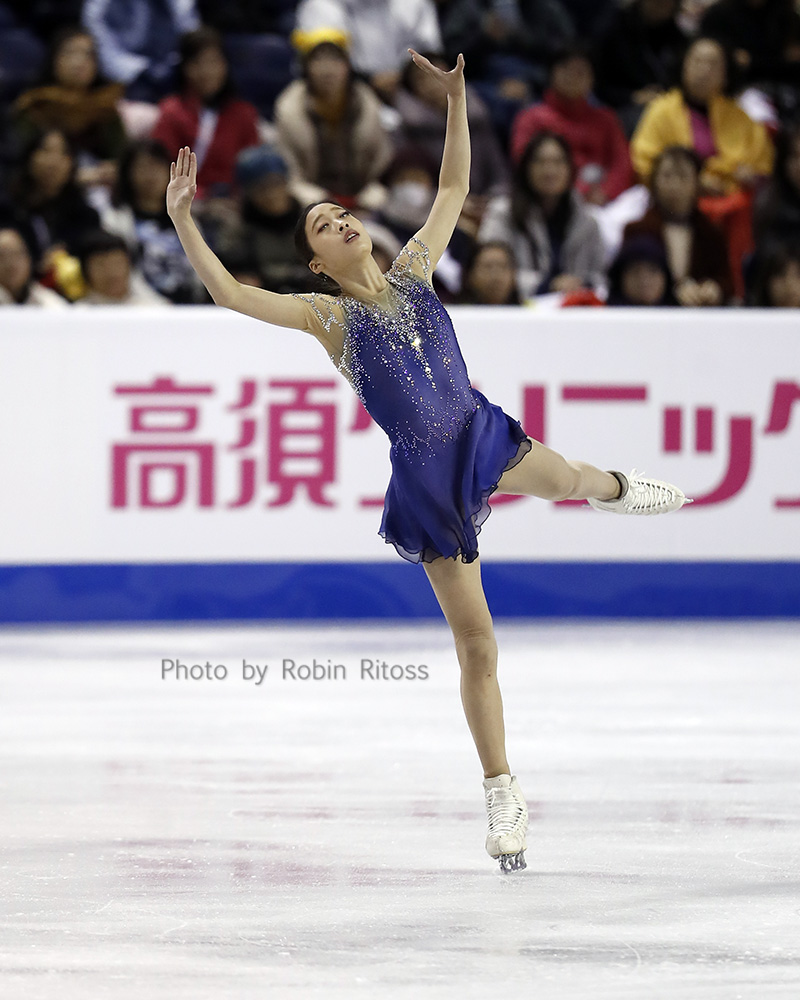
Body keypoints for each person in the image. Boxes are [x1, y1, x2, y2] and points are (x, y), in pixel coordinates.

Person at [166, 52, 691, 872]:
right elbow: (232, 294)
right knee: (478, 644)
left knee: (569, 481)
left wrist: (455, 102)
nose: (341, 221)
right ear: (316, 263)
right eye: (322, 225)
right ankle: (501, 789)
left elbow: (452, 187)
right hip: (427, 482)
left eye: (343, 212)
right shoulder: (327, 318)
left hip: (480, 433)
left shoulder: (413, 271)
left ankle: (617, 488)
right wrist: (183, 219)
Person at [478, 131, 606, 300]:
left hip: (574, 308)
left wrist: (580, 286)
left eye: (558, 162)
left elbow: (600, 277)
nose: (549, 170)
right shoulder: (502, 213)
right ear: (526, 168)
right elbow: (488, 270)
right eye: (540, 162)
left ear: (570, 169)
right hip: (515, 306)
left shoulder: (588, 222)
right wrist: (548, 285)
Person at [274, 30, 393, 212]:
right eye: (318, 60)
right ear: (306, 67)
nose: (327, 69)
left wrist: (374, 189)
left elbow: (382, 157)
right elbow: (288, 167)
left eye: (335, 60)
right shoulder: (288, 108)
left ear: (348, 66)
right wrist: (313, 196)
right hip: (309, 200)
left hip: (364, 198)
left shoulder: (368, 102)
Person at [510, 44, 634, 206]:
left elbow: (622, 163)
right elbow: (524, 162)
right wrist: (574, 194)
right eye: (566, 69)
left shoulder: (607, 119)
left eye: (580, 71)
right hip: (550, 201)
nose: (573, 76)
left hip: (603, 203)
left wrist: (606, 192)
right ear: (552, 73)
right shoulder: (531, 119)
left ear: (592, 78)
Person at [151, 26, 260, 199]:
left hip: (235, 204)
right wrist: (200, 198)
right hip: (186, 202)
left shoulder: (243, 113)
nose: (207, 71)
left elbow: (254, 171)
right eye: (198, 63)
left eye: (214, 62)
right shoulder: (172, 112)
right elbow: (161, 169)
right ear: (185, 67)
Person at [13, 26, 127, 189]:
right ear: (54, 59)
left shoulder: (105, 108)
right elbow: (19, 163)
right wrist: (75, 177)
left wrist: (112, 170)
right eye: (70, 53)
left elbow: (123, 159)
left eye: (88, 55)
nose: (80, 62)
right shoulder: (35, 105)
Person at [623, 145, 733, 305]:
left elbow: (727, 282)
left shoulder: (711, 233)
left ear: (697, 183)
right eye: (667, 176)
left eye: (683, 176)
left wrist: (715, 289)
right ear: (654, 182)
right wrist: (671, 292)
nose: (674, 185)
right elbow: (624, 284)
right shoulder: (638, 231)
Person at [0, 226, 69, 307]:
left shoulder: (48, 302)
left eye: (16, 254)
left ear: (29, 259)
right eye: (2, 256)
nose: (11, 263)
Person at [457, 241, 522, 305]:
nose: (496, 276)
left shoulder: (526, 310)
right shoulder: (457, 310)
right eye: (488, 267)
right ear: (470, 275)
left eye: (503, 267)